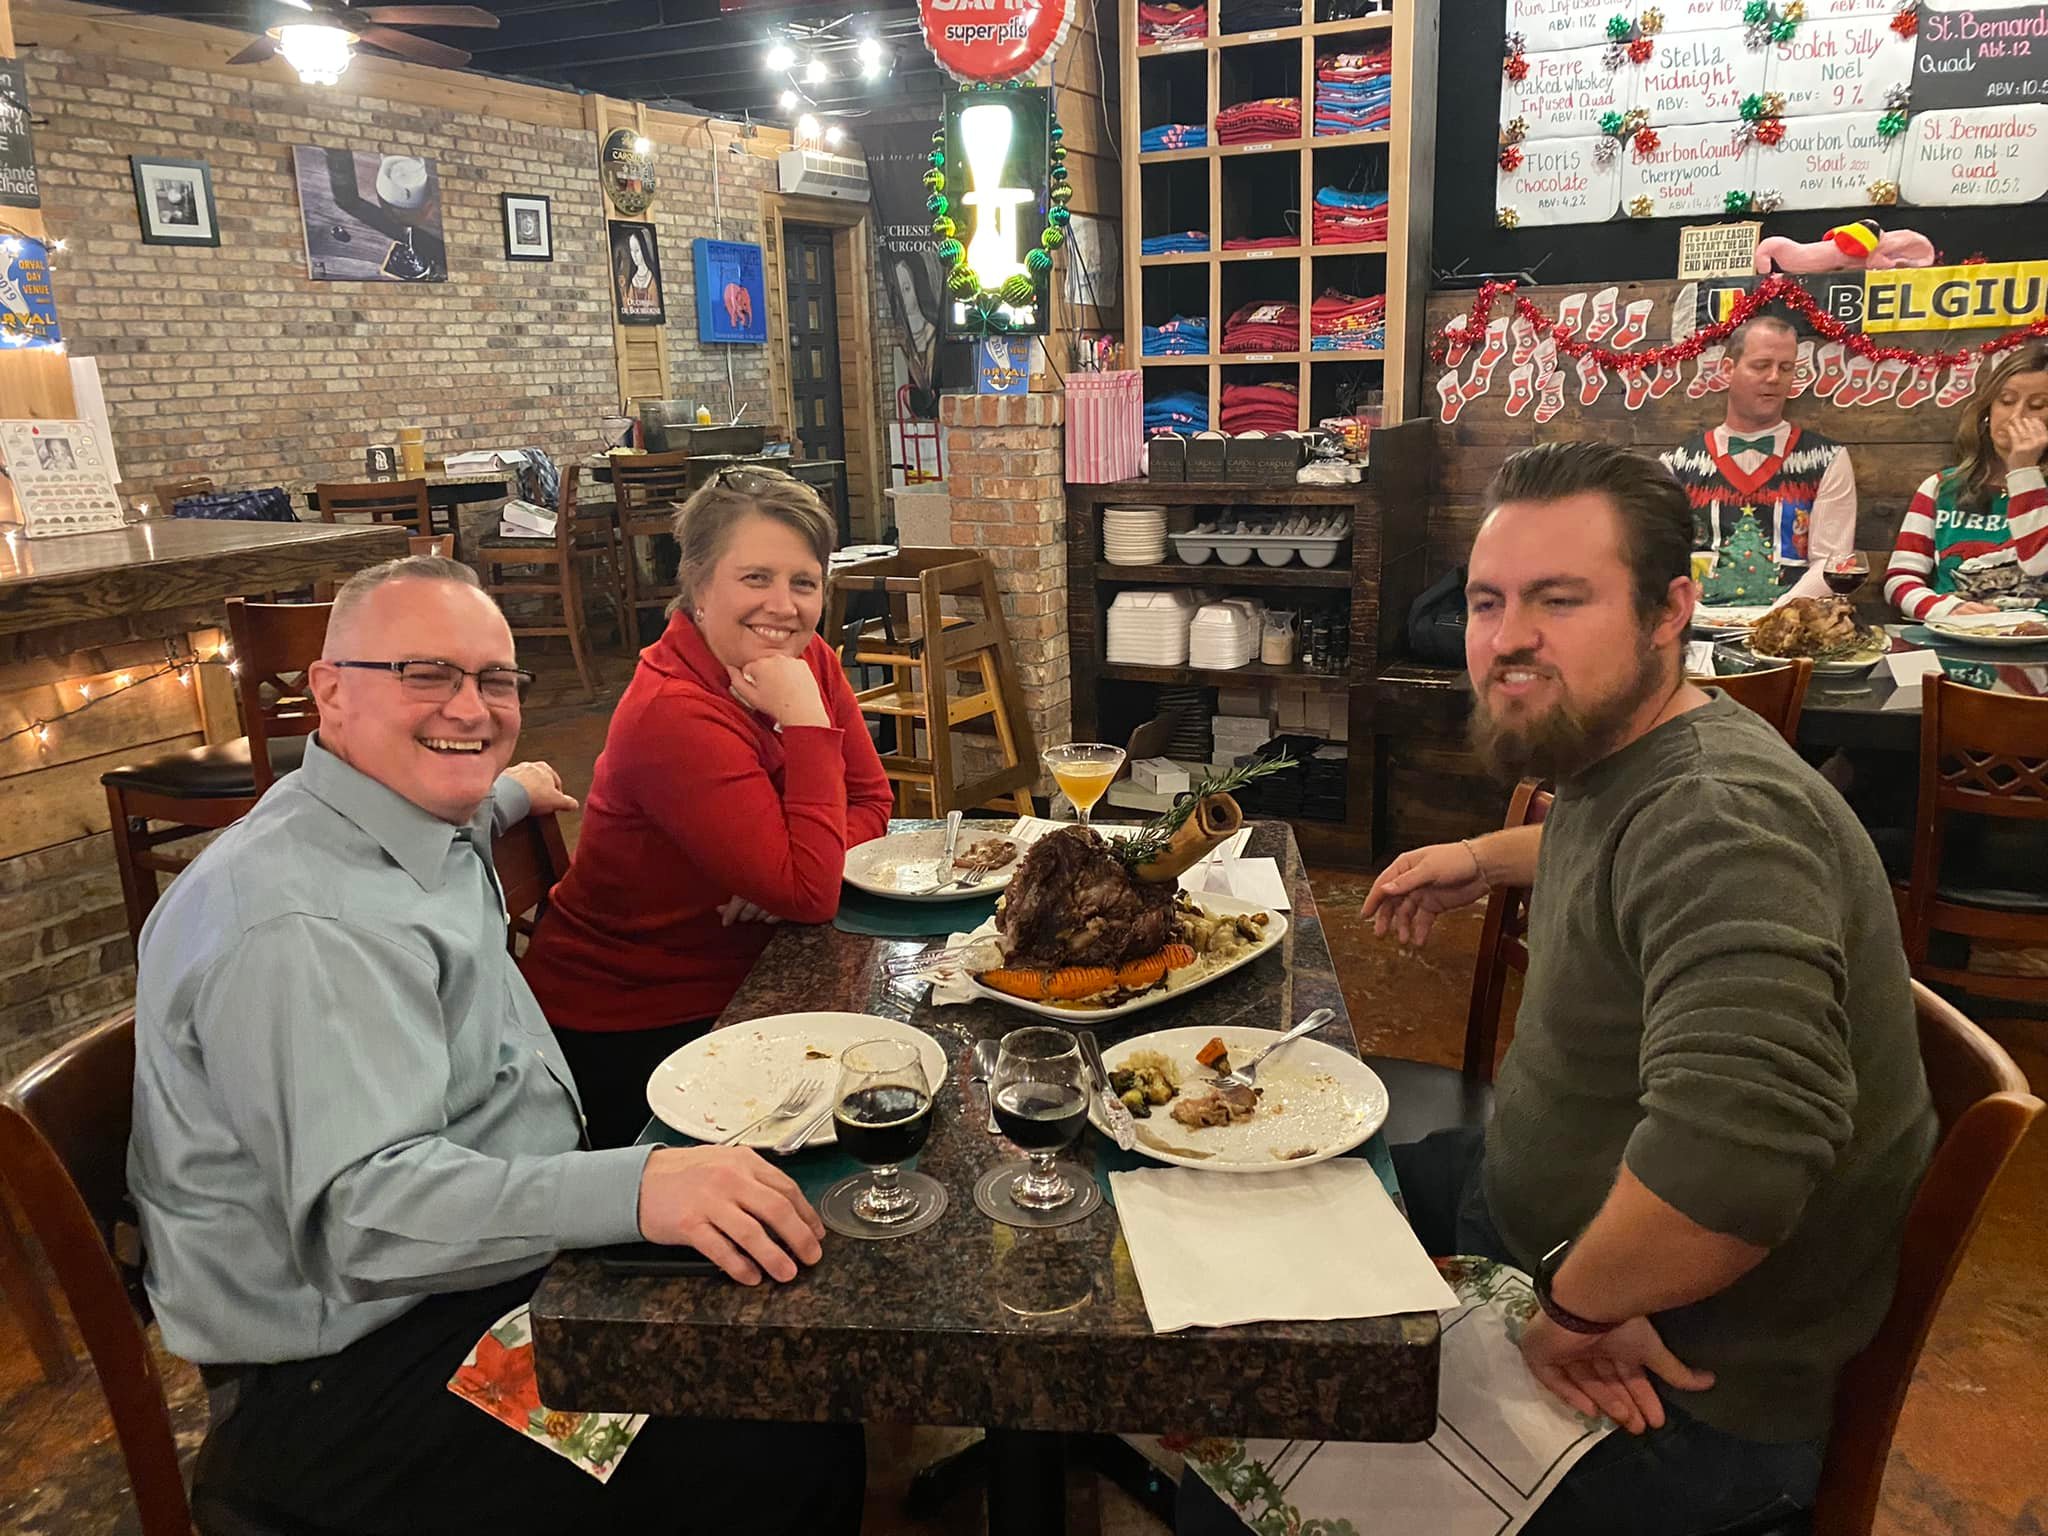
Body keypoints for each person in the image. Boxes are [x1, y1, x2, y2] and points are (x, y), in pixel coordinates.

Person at [127, 555, 863, 1535]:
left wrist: (511, 794)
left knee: (789, 1327)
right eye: (426, 674)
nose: (469, 708)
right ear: (331, 691)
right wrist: (637, 1188)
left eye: (495, 679)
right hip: (352, 1380)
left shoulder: (399, 815)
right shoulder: (298, 928)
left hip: (472, 1271)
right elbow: (371, 1219)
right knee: (773, 1431)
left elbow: (448, 839)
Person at [1319, 443, 1936, 1536]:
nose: (1508, 637)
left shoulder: (1719, 818)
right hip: (1530, 1213)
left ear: (1668, 613)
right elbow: (1609, 847)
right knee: (1264, 1214)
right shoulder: (1638, 753)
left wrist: (1575, 1311)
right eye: (1487, 602)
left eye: (1560, 600)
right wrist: (1482, 857)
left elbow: (1736, 1163)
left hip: (1670, 1378)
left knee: (1253, 1451)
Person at [521, 467, 893, 1147]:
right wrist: (807, 724)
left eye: (803, 582)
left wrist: (796, 865)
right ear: (696, 585)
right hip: (638, 1026)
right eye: (755, 578)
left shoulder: (807, 657)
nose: (783, 606)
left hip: (755, 973)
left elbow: (872, 799)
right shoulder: (673, 711)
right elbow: (811, 895)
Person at [1660, 315, 1857, 601]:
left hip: (1792, 624)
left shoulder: (1827, 460)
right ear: (1728, 370)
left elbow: (1831, 563)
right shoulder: (1677, 465)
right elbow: (1662, 559)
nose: (1774, 377)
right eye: (1761, 365)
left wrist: (1775, 617)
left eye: (1785, 368)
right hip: (1700, 622)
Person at [1884, 340, 2048, 620]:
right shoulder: (1940, 488)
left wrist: (2022, 470)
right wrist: (1945, 609)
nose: (2016, 416)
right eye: (2006, 401)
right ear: (1988, 411)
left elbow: (2037, 563)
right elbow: (1900, 579)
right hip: (1956, 636)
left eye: (2037, 405)